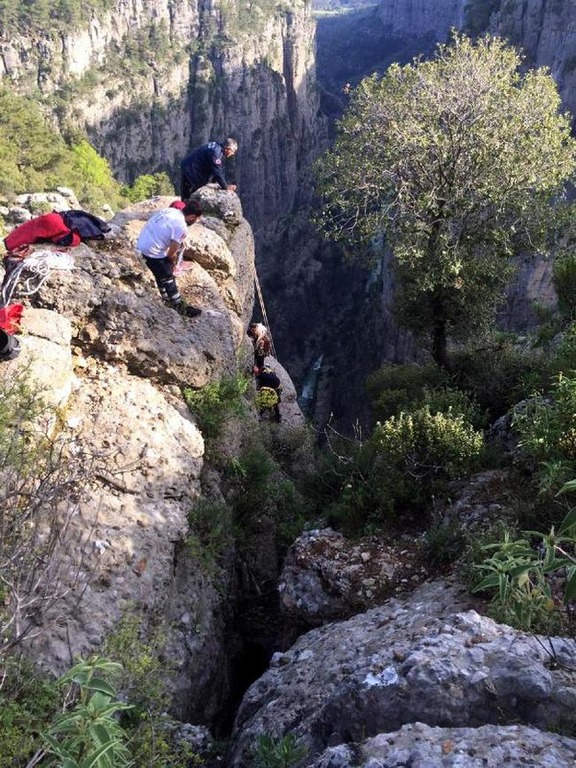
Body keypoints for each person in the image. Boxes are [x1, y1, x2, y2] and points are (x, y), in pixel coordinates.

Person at [136, 200, 203, 318]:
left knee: (159, 272)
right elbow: (172, 253)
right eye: (197, 219)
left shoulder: (171, 211)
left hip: (141, 244)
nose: (196, 221)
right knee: (167, 274)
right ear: (192, 216)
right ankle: (179, 306)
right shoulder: (181, 226)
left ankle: (165, 296)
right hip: (151, 251)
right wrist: (172, 264)